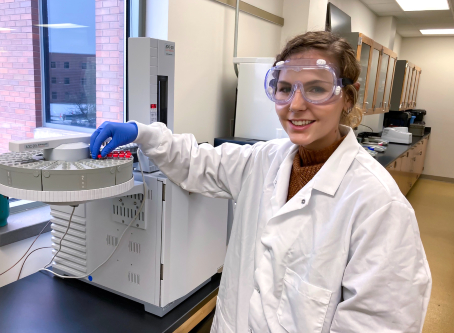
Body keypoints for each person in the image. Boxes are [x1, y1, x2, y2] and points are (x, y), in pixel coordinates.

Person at [90, 31, 431, 333]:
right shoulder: (264, 159)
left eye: (316, 88)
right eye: (284, 89)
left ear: (348, 97)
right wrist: (142, 132)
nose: (296, 105)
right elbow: (196, 162)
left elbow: (382, 322)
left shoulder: (378, 205)